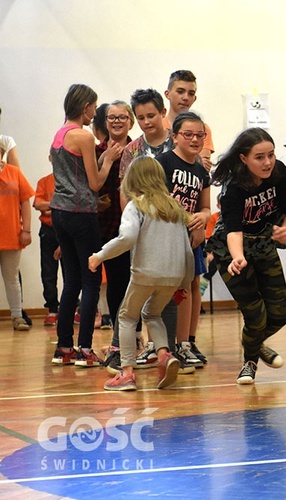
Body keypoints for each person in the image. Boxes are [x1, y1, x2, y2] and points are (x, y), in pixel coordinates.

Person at [89, 156, 193, 391]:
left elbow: (127, 238)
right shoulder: (174, 206)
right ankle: (165, 355)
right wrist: (184, 282)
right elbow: (187, 248)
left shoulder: (137, 205)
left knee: (126, 317)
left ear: (132, 180)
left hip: (146, 273)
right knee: (152, 314)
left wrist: (100, 255)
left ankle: (126, 374)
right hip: (173, 275)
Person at [209, 128, 286, 384]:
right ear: (243, 159)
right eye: (259, 157)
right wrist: (237, 257)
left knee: (280, 313)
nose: (268, 162)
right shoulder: (234, 187)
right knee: (255, 315)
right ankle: (250, 362)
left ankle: (254, 344)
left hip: (263, 244)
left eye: (270, 155)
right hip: (230, 251)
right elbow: (233, 232)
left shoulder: (279, 172)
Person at [49, 84, 121, 367]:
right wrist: (110, 160)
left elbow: (76, 174)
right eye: (94, 106)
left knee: (71, 281)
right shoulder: (84, 135)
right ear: (85, 107)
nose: (96, 111)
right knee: (91, 279)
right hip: (81, 214)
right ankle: (86, 349)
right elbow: (95, 183)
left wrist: (101, 159)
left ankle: (64, 346)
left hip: (60, 212)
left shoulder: (60, 134)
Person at [155, 112, 211, 368]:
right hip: (165, 236)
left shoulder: (202, 171)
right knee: (162, 291)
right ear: (174, 136)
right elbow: (159, 201)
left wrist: (202, 218)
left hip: (190, 239)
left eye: (200, 135)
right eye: (188, 134)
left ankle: (184, 345)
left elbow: (206, 207)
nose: (195, 139)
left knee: (186, 289)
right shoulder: (163, 162)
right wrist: (188, 217)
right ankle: (157, 346)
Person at [96, 101, 134, 372]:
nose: (117, 121)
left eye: (122, 117)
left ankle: (138, 337)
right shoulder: (97, 150)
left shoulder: (139, 149)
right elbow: (90, 185)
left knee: (139, 283)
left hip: (138, 225)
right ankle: (119, 341)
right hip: (109, 226)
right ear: (105, 121)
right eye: (112, 117)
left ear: (130, 121)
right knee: (118, 284)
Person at [0, 154, 34, 331]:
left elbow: (25, 202)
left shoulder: (14, 172)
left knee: (12, 278)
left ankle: (17, 316)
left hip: (12, 234)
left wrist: (26, 230)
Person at [163, 70, 215, 171]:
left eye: (191, 93)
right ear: (167, 94)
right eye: (180, 92)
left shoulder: (203, 128)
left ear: (194, 98)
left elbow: (203, 167)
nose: (185, 97)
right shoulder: (159, 126)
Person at [33, 169, 61, 326]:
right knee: (48, 271)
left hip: (66, 227)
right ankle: (52, 309)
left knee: (70, 270)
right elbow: (37, 204)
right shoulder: (44, 181)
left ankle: (70, 308)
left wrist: (49, 207)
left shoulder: (70, 179)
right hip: (48, 231)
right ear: (51, 158)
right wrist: (57, 205)